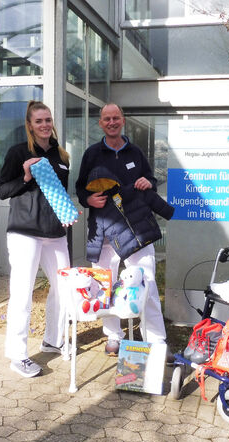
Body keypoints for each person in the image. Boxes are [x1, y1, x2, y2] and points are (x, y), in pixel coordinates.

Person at [75, 103, 170, 356]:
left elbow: (151, 180)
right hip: (104, 233)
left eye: (116, 118)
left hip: (136, 232)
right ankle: (114, 336)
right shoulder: (91, 154)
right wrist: (88, 200)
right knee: (105, 287)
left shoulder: (136, 152)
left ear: (123, 120)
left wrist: (147, 181)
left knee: (146, 284)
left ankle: (157, 341)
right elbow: (80, 189)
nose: (112, 122)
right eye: (107, 118)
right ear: (100, 123)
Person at [0, 100, 70, 378]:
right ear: (30, 125)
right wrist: (26, 176)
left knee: (64, 289)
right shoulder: (18, 152)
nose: (44, 125)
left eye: (48, 120)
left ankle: (53, 340)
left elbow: (59, 195)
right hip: (25, 232)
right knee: (22, 293)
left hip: (55, 233)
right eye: (38, 121)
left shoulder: (62, 156)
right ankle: (17, 355)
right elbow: (3, 191)